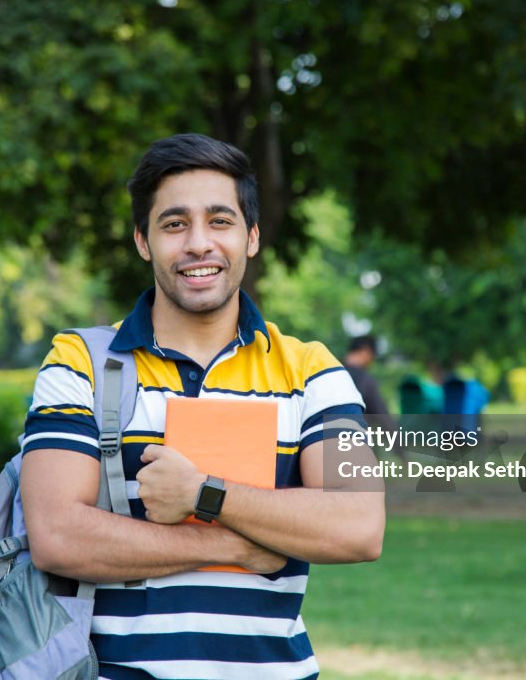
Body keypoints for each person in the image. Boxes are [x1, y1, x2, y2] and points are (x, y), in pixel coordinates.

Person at [20, 133, 385, 679]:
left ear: (251, 237)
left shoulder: (312, 370)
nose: (198, 243)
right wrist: (228, 543)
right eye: (174, 224)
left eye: (220, 221)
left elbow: (358, 524)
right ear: (143, 240)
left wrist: (203, 493)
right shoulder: (79, 364)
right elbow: (55, 535)